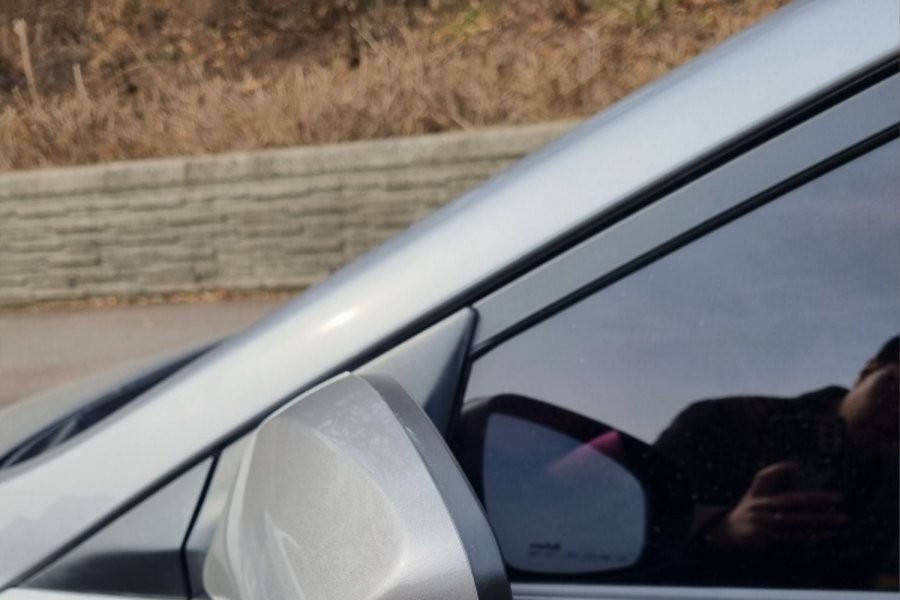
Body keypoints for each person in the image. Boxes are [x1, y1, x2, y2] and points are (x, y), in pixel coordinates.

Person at [655, 336, 899, 590]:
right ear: (869, 370)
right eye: (897, 390)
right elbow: (641, 529)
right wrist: (723, 530)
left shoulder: (893, 481)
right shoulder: (718, 423)